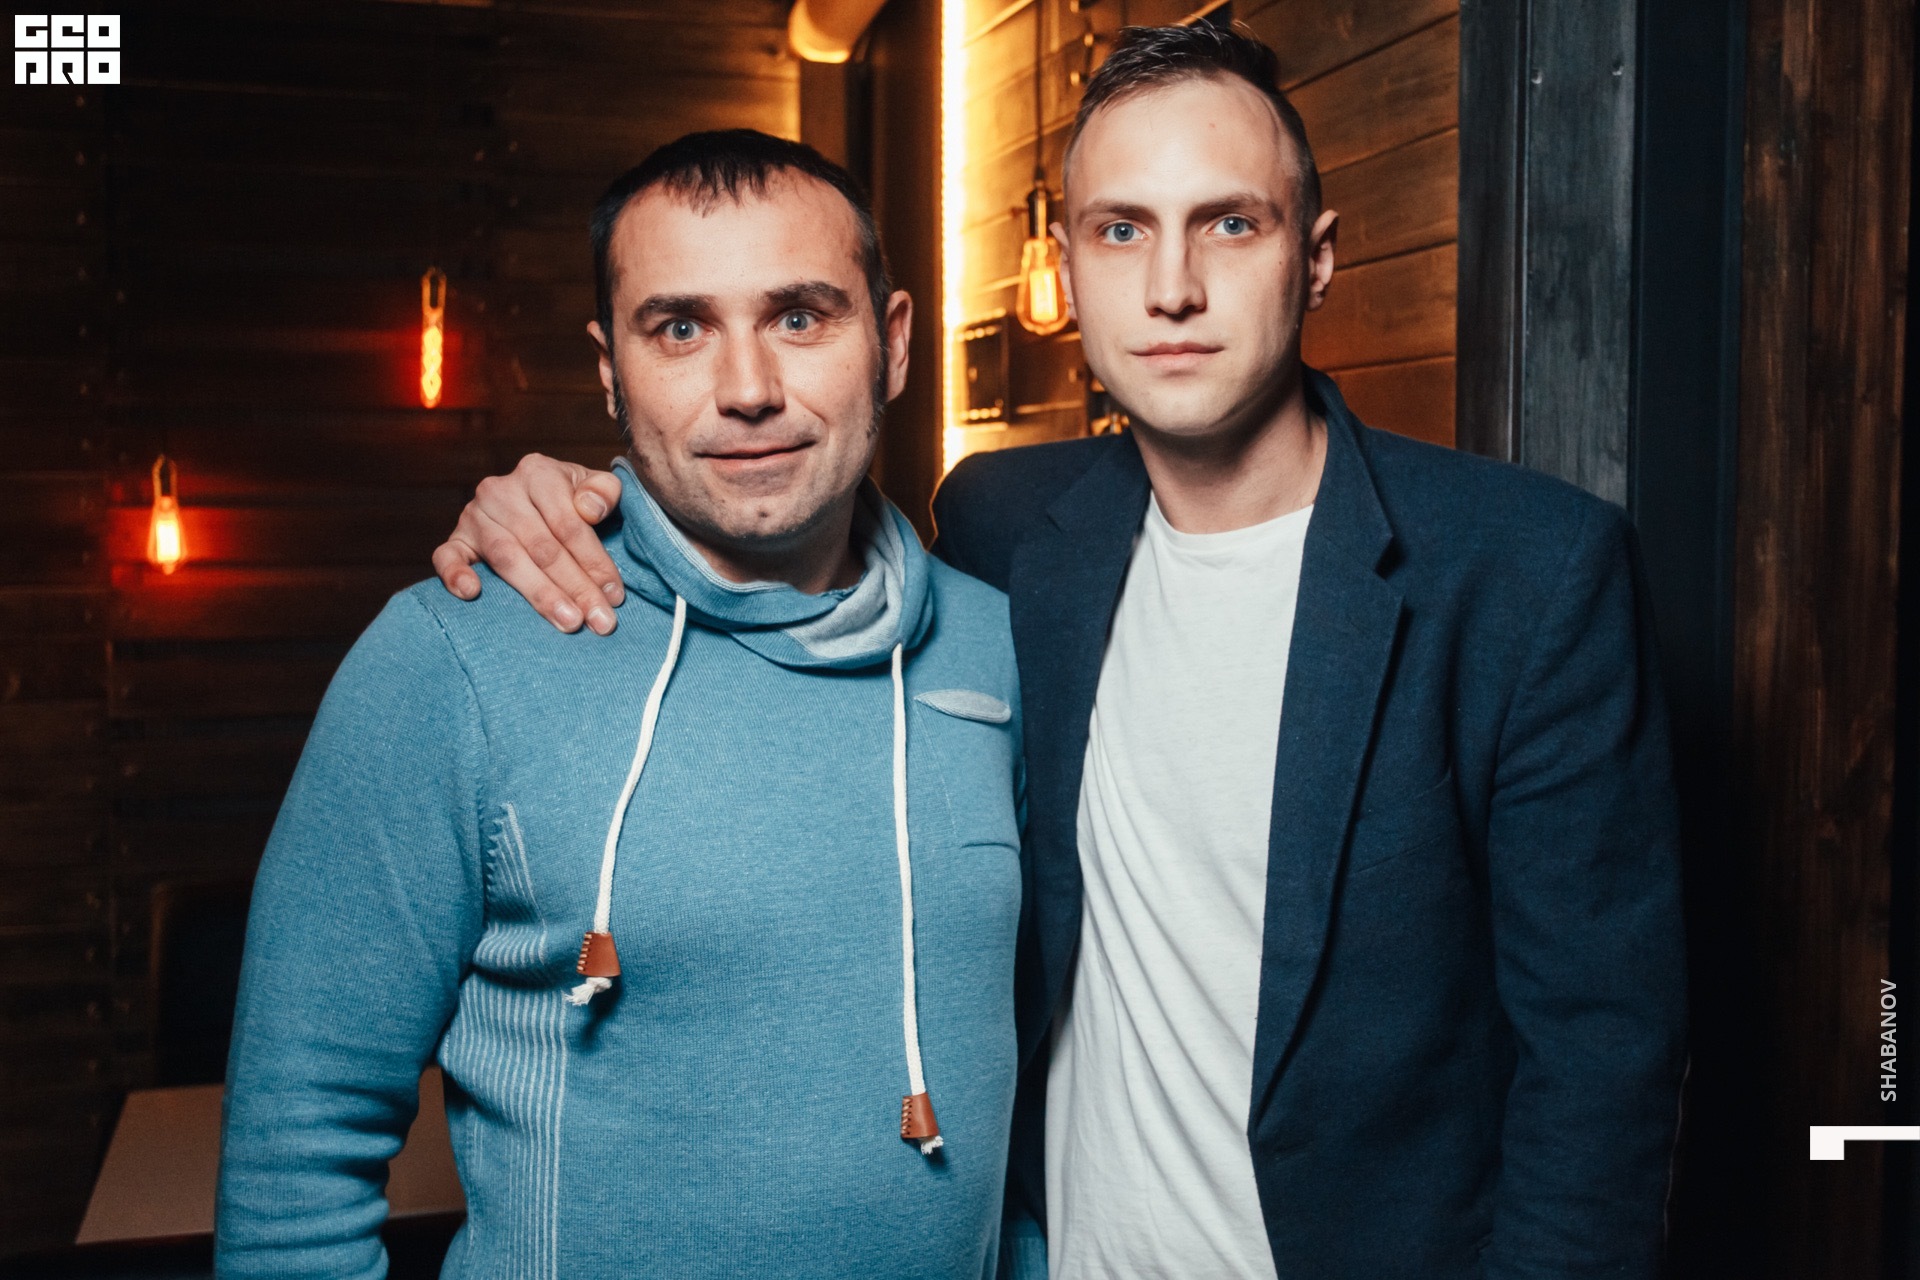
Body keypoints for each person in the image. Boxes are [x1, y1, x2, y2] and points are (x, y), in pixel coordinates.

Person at [429, 25, 1688, 1280]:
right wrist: (574, 504)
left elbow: (1603, 1058)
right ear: (1072, 268)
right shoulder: (1003, 526)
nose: (1173, 287)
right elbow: (770, 525)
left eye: (1230, 224)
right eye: (1122, 229)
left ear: (1315, 259)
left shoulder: (1527, 571)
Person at [216, 131, 1026, 1280]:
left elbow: (1048, 1091)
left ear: (893, 342)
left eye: (800, 316)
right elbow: (296, 1162)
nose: (748, 388)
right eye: (680, 328)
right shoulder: (452, 656)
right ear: (609, 369)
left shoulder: (998, 647)